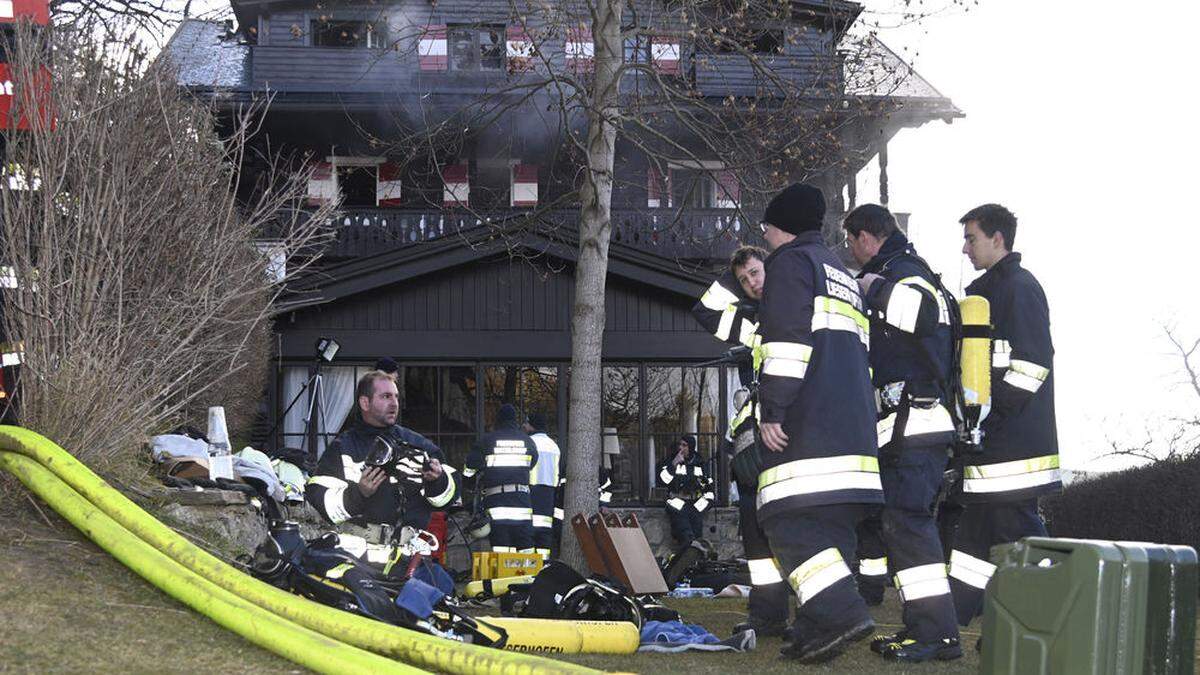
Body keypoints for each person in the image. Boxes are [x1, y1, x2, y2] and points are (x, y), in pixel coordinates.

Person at [755, 183, 883, 663]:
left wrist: (774, 412)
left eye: (765, 228)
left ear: (779, 225)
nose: (764, 237)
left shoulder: (791, 264)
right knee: (833, 530)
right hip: (855, 427)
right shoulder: (843, 272)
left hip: (810, 422)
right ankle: (813, 634)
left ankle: (838, 612)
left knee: (785, 521)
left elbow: (786, 345)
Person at [843, 204, 962, 662]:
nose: (852, 253)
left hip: (918, 425)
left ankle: (936, 635)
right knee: (902, 526)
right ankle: (925, 631)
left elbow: (924, 314)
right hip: (910, 427)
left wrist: (875, 287)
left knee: (909, 526)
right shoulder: (903, 268)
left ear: (866, 237)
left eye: (852, 242)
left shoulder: (904, 271)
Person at [949, 204, 1060, 627]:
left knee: (1018, 535)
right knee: (973, 537)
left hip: (1013, 449)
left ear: (998, 239)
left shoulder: (1019, 288)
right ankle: (951, 619)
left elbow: (1032, 364)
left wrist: (988, 420)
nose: (965, 248)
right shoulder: (992, 290)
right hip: (992, 446)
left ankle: (1049, 615)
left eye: (971, 238)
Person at [690, 244, 790, 638]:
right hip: (755, 446)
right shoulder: (751, 324)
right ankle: (769, 614)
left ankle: (819, 615)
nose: (753, 282)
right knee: (754, 531)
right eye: (745, 278)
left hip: (790, 437)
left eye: (756, 272)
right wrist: (731, 278)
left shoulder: (796, 308)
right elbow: (704, 311)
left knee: (790, 530)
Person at [305, 370, 458, 563]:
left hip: (412, 559)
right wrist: (358, 495)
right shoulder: (342, 448)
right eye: (386, 396)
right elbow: (320, 503)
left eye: (396, 397)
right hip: (359, 560)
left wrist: (438, 481)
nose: (394, 403)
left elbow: (449, 496)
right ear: (365, 403)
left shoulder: (419, 445)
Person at [464, 404, 539, 553]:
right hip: (521, 502)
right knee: (525, 545)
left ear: (498, 419)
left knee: (501, 546)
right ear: (514, 420)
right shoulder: (527, 441)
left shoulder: (487, 440)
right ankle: (529, 575)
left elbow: (470, 467)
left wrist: (468, 482)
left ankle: (502, 575)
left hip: (497, 502)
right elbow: (532, 463)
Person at [656, 435, 714, 546]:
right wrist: (674, 464)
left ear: (691, 447)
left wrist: (699, 508)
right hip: (677, 503)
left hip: (695, 504)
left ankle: (694, 558)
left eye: (684, 445)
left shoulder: (699, 464)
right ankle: (686, 554)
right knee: (685, 534)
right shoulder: (671, 460)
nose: (681, 448)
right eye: (680, 445)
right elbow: (663, 480)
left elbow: (709, 490)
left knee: (697, 535)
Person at [523, 411, 561, 559]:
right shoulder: (554, 446)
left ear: (532, 426)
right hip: (549, 495)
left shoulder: (529, 444)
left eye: (526, 423)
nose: (524, 426)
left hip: (530, 492)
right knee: (544, 536)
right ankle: (544, 567)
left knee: (527, 536)